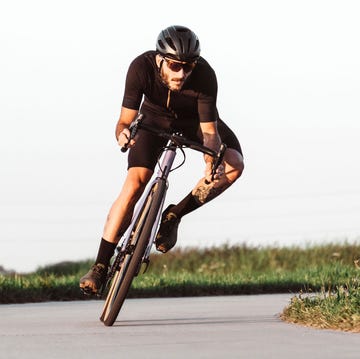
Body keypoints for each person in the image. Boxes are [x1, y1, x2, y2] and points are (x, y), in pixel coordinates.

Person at [80, 25, 244, 294]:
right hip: (153, 119)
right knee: (135, 184)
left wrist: (209, 162)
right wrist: (122, 134)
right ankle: (99, 266)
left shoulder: (204, 75)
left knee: (234, 164)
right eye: (174, 66)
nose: (181, 73)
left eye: (188, 67)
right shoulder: (141, 67)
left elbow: (210, 134)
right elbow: (124, 120)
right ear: (160, 60)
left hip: (194, 121)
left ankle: (174, 215)